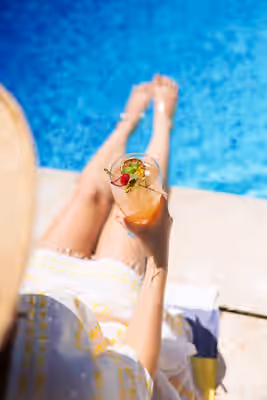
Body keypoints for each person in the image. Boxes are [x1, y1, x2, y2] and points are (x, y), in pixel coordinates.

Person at [0, 77, 200, 399]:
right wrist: (158, 254)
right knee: (139, 196)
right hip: (105, 316)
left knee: (89, 195)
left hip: (33, 288)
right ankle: (163, 120)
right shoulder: (50, 382)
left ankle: (126, 125)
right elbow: (138, 373)